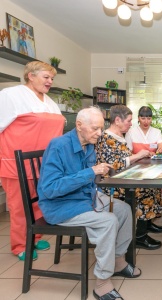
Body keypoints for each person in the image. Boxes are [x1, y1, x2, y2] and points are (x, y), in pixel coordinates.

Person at [38, 107, 140, 300]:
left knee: (126, 209)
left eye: (101, 129)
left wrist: (102, 173)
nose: (100, 134)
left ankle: (118, 260)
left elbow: (90, 177)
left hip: (85, 196)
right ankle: (102, 282)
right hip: (61, 205)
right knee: (108, 221)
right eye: (95, 129)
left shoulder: (89, 144)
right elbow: (50, 189)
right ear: (78, 125)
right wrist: (91, 172)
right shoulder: (59, 146)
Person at [0, 61, 65, 261]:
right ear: (31, 75)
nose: (50, 82)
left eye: (52, 78)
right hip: (17, 163)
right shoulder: (11, 95)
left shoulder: (48, 100)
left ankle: (34, 238)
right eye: (46, 77)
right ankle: (21, 245)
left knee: (38, 204)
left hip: (43, 164)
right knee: (20, 207)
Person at [96, 105, 162, 250]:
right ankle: (140, 236)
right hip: (111, 183)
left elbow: (124, 159)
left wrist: (138, 157)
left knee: (152, 186)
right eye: (128, 120)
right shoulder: (106, 138)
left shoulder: (118, 137)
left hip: (120, 177)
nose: (131, 123)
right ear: (118, 120)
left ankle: (145, 225)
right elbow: (114, 165)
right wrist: (138, 156)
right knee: (147, 190)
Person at [125, 105, 162, 222]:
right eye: (143, 118)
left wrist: (161, 148)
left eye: (148, 118)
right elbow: (128, 152)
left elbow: (160, 145)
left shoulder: (156, 132)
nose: (146, 121)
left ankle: (152, 216)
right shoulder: (131, 132)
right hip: (136, 167)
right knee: (145, 191)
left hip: (153, 165)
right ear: (138, 118)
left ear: (151, 119)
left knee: (161, 185)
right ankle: (145, 220)